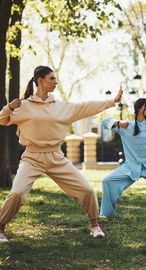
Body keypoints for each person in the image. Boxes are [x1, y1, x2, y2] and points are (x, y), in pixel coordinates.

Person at [0, 65, 123, 243]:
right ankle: (1, 228)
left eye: (55, 79)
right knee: (17, 193)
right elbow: (2, 120)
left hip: (56, 157)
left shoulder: (61, 107)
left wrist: (112, 102)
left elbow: (86, 107)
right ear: (39, 81)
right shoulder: (24, 106)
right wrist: (9, 107)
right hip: (32, 157)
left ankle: (95, 226)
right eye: (52, 79)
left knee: (87, 190)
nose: (55, 82)